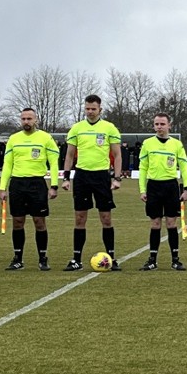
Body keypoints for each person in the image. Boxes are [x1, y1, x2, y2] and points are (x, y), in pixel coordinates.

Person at [60, 94, 123, 271]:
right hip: (82, 177)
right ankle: (76, 259)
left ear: (100, 109)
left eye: (93, 109)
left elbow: (117, 155)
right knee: (80, 218)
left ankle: (111, 257)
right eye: (87, 108)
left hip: (101, 177)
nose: (90, 112)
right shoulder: (77, 128)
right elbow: (70, 155)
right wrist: (66, 178)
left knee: (106, 218)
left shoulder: (109, 128)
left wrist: (117, 178)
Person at [0, 108, 60, 271]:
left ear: (35, 120)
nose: (26, 121)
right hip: (17, 184)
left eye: (29, 118)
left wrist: (54, 186)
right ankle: (18, 258)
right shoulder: (13, 139)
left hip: (37, 184)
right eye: (23, 119)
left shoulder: (45, 138)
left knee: (39, 221)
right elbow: (7, 164)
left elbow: (53, 163)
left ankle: (43, 258)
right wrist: (2, 188)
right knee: (18, 222)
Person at [138, 113, 187, 271]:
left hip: (170, 187)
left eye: (162, 124)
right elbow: (142, 168)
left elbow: (184, 167)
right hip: (153, 187)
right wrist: (142, 189)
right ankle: (152, 260)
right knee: (155, 223)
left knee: (171, 223)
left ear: (169, 125)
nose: (159, 127)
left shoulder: (176, 144)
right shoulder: (147, 144)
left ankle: (175, 260)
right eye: (156, 124)